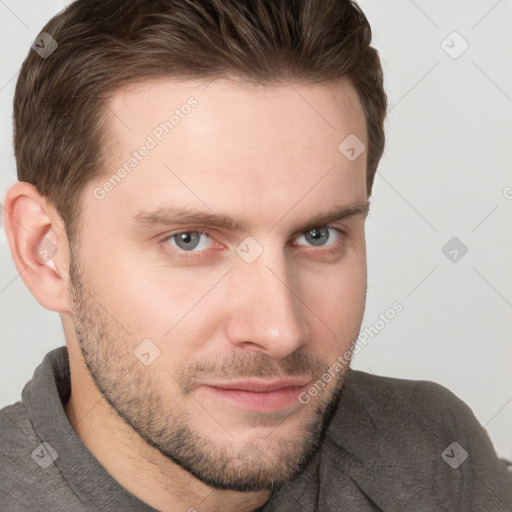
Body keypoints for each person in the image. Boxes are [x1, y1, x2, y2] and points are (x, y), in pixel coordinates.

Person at [1, 0, 511, 510]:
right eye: (191, 240)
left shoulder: (435, 459)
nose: (280, 330)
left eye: (317, 236)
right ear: (45, 251)